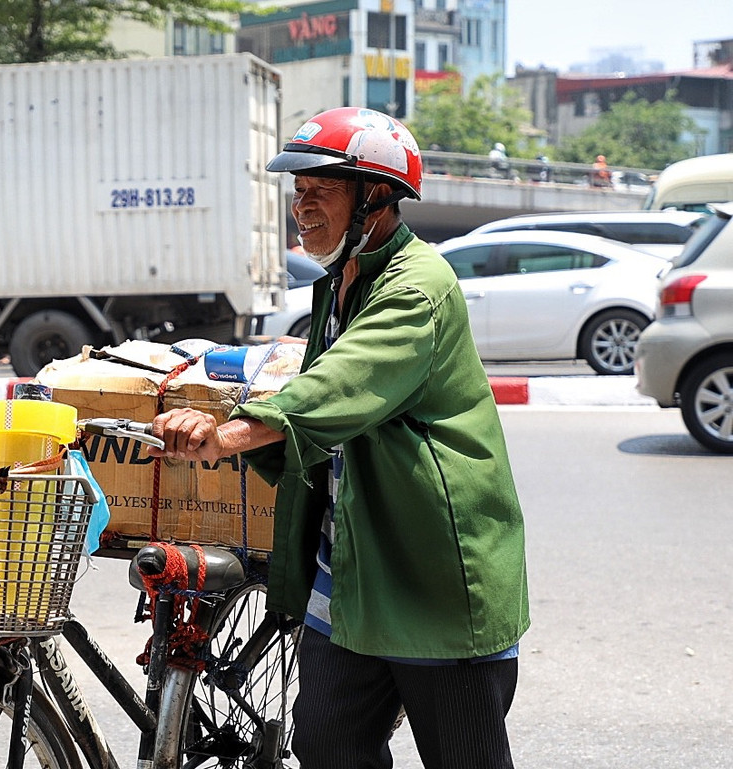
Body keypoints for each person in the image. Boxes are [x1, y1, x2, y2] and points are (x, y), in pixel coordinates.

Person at [149, 108, 530, 768]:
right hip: (348, 576)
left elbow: (341, 388)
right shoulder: (338, 285)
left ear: (377, 197)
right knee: (327, 743)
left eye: (321, 190)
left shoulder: (419, 287)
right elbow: (317, 404)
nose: (303, 207)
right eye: (298, 193)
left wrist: (229, 432)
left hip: (431, 571)